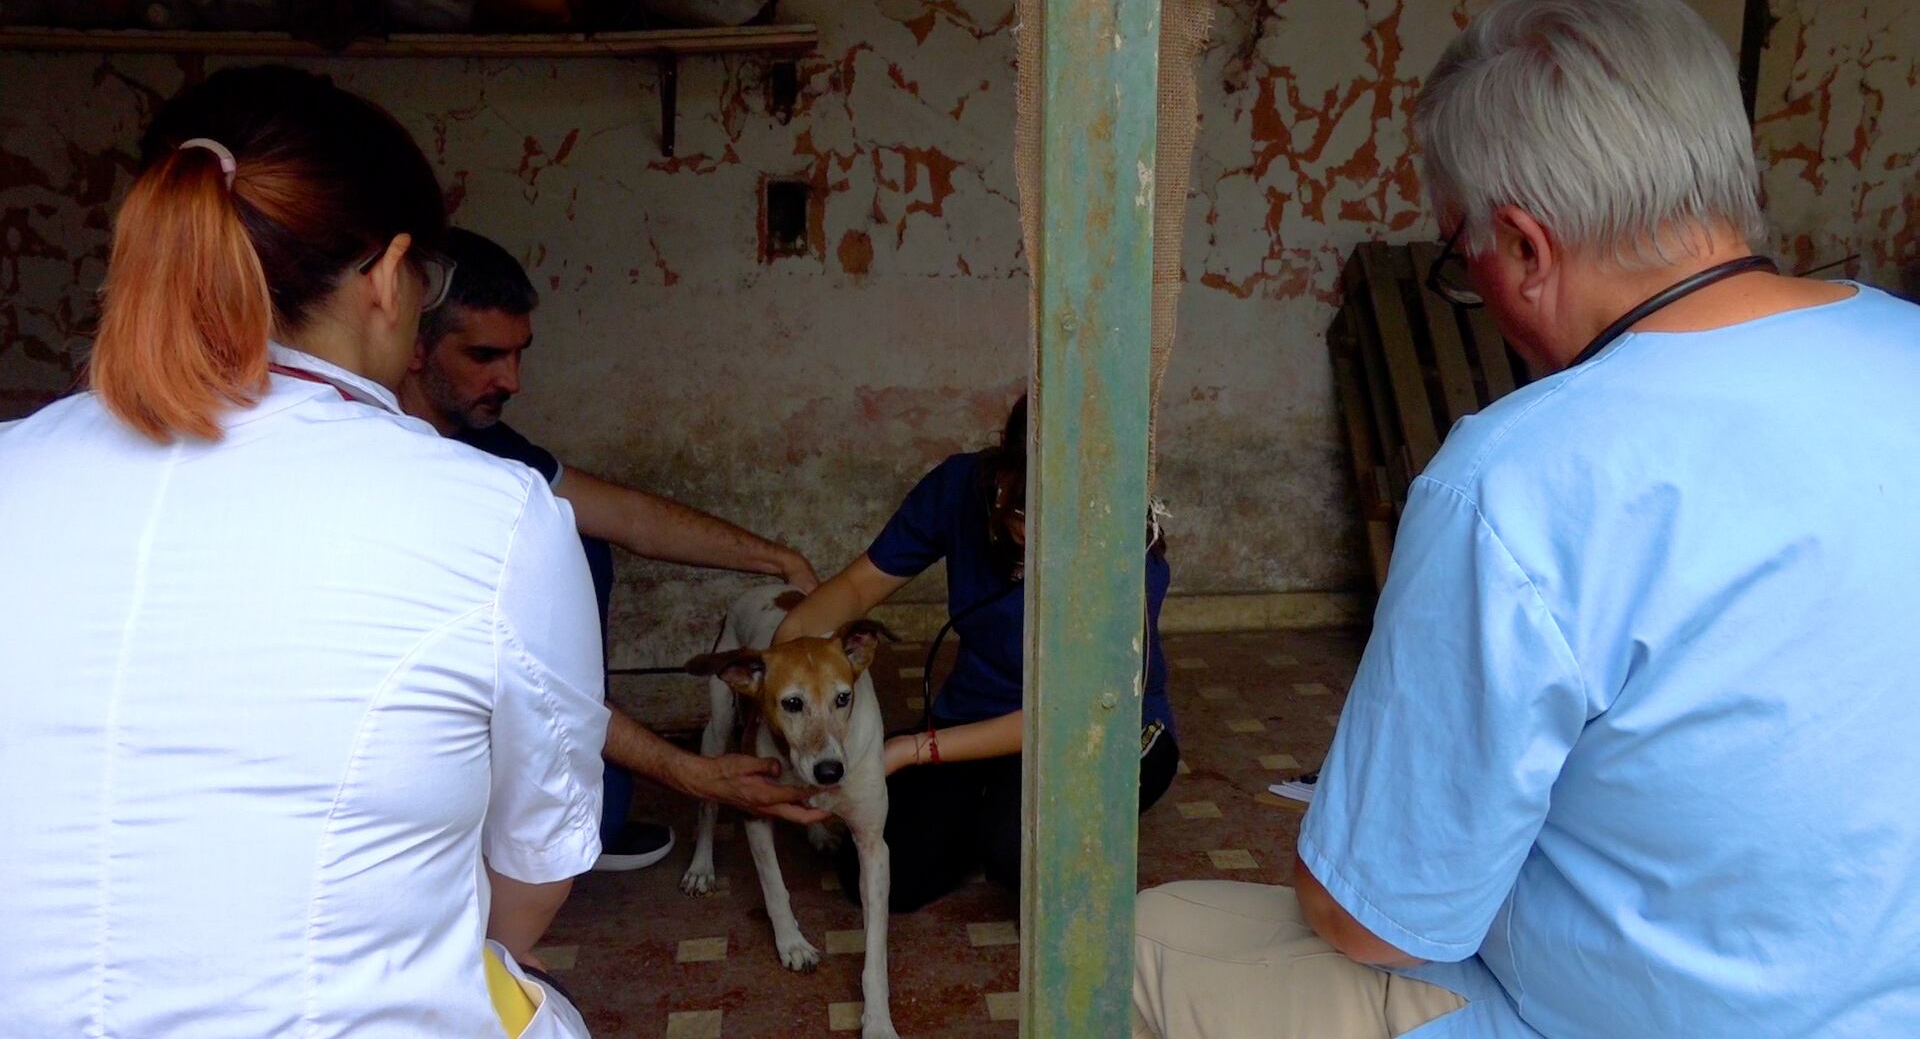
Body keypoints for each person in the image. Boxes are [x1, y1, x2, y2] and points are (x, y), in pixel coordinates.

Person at [1133, 0, 1920, 1038]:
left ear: (1524, 248)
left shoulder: (1520, 478)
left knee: (1139, 944)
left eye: (1465, 259)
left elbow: (1370, 920)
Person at [0, 65, 603, 1036]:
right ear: (384, 276)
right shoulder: (493, 519)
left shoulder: (10, 474)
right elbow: (534, 876)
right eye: (427, 282)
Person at [399, 227, 829, 871]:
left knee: (583, 536)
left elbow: (629, 516)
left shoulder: (490, 442)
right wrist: (692, 774)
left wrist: (778, 559)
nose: (512, 380)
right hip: (421, 731)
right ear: (411, 345)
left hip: (529, 701)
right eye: (485, 355)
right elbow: (527, 678)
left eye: (520, 354)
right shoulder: (390, 464)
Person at [776, 395, 1179, 912]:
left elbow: (1065, 713)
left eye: (1059, 514)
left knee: (1016, 852)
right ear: (1005, 467)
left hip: (1099, 731)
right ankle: (994, 809)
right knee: (886, 875)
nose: (1034, 532)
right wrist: (783, 654)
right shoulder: (959, 488)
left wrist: (910, 750)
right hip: (973, 716)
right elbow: (856, 588)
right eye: (1022, 506)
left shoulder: (1129, 553)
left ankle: (1021, 822)